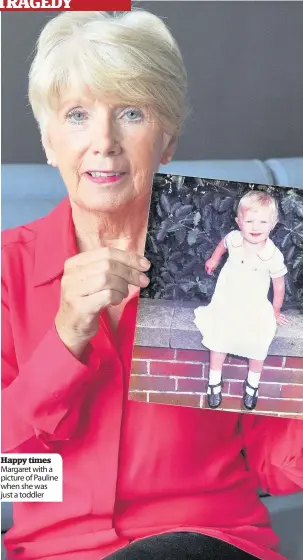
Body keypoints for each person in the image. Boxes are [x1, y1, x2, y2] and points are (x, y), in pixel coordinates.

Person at [1, 10, 302, 560]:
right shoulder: (8, 269)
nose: (104, 142)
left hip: (209, 543)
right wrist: (66, 335)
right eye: (76, 115)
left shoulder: (238, 261)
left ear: (166, 140)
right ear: (48, 141)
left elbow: (275, 463)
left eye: (132, 113)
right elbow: (6, 460)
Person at [194, 191, 288, 411]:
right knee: (218, 340)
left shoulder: (272, 255)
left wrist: (275, 310)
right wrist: (214, 258)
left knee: (258, 344)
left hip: (254, 308)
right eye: (249, 221)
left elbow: (279, 286)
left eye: (263, 221)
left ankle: (253, 384)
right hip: (227, 303)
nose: (256, 227)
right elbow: (222, 244)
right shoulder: (235, 238)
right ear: (239, 222)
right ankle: (214, 380)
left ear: (273, 224)